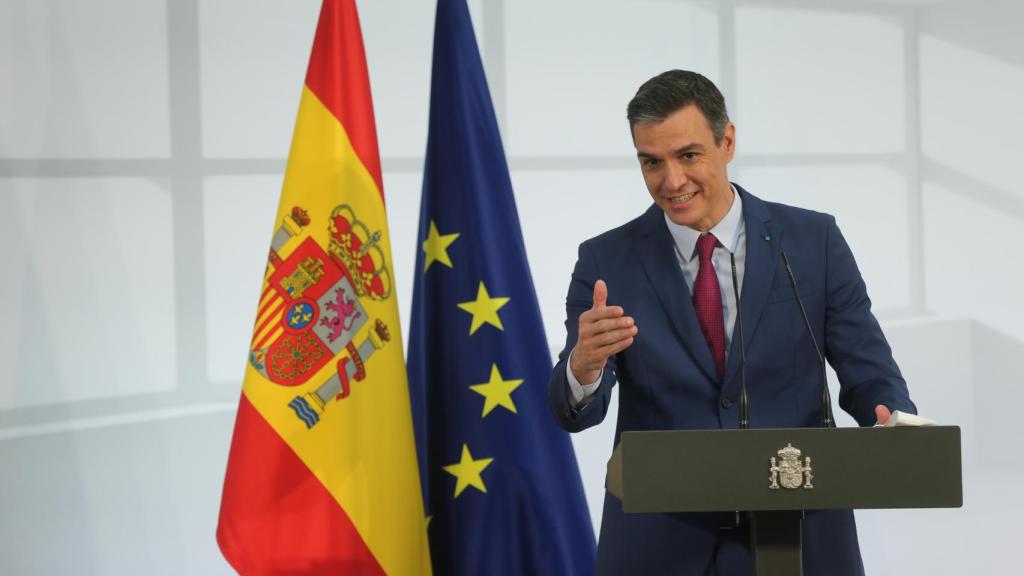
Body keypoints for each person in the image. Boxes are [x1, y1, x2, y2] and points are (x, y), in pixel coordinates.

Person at [547, 70, 916, 575]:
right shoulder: (606, 261)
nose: (671, 181)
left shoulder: (812, 242)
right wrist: (583, 367)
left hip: (800, 533)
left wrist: (895, 421)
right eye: (651, 162)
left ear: (728, 141)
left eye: (688, 155)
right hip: (657, 544)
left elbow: (867, 367)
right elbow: (574, 414)